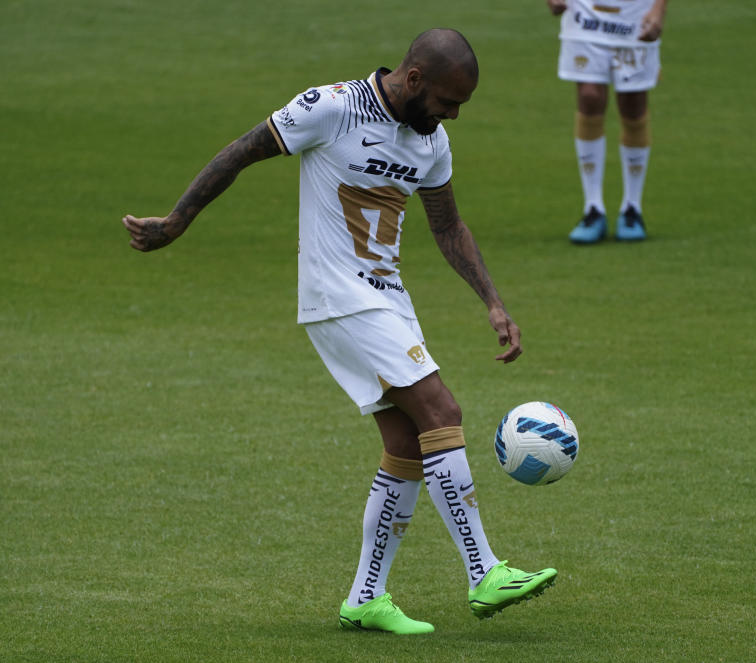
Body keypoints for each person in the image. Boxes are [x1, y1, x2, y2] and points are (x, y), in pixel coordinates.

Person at [122, 28, 556, 635]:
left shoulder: (431, 142)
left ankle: (366, 597)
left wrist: (493, 302)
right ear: (413, 80)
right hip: (339, 296)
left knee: (408, 442)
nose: (453, 114)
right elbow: (242, 151)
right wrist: (177, 220)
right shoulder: (329, 108)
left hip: (387, 298)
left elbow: (449, 226)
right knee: (441, 409)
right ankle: (484, 572)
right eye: (447, 101)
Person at [547, 0, 668, 244]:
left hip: (634, 15)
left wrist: (659, 8)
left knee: (633, 103)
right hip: (586, 14)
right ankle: (593, 208)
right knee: (589, 95)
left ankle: (632, 208)